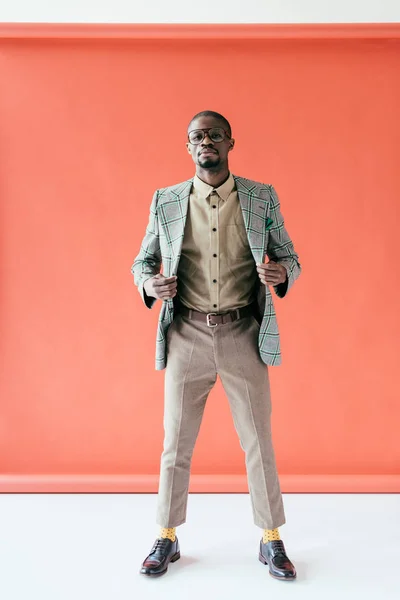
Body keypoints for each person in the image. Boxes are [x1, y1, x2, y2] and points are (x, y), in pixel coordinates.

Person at [131, 110, 302, 580]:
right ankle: (166, 535)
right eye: (196, 137)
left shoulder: (260, 197)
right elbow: (141, 261)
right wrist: (150, 283)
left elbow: (289, 254)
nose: (204, 141)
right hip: (186, 333)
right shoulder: (165, 201)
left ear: (230, 143)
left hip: (242, 333)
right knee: (176, 443)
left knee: (257, 441)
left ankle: (271, 540)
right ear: (188, 147)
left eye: (213, 135)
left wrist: (283, 271)